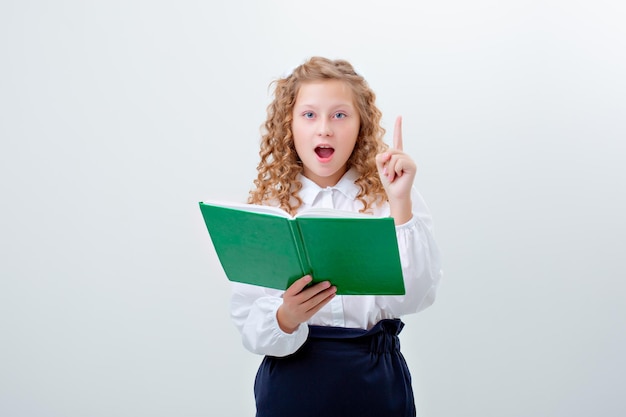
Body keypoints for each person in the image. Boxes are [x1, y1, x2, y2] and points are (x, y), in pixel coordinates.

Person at [230, 56, 442, 417]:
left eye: (340, 115)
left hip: (374, 385)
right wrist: (286, 316)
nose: (324, 129)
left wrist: (401, 201)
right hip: (291, 388)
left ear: (361, 126)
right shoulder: (268, 210)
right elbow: (250, 326)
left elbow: (418, 295)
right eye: (309, 115)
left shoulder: (388, 196)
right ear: (289, 125)